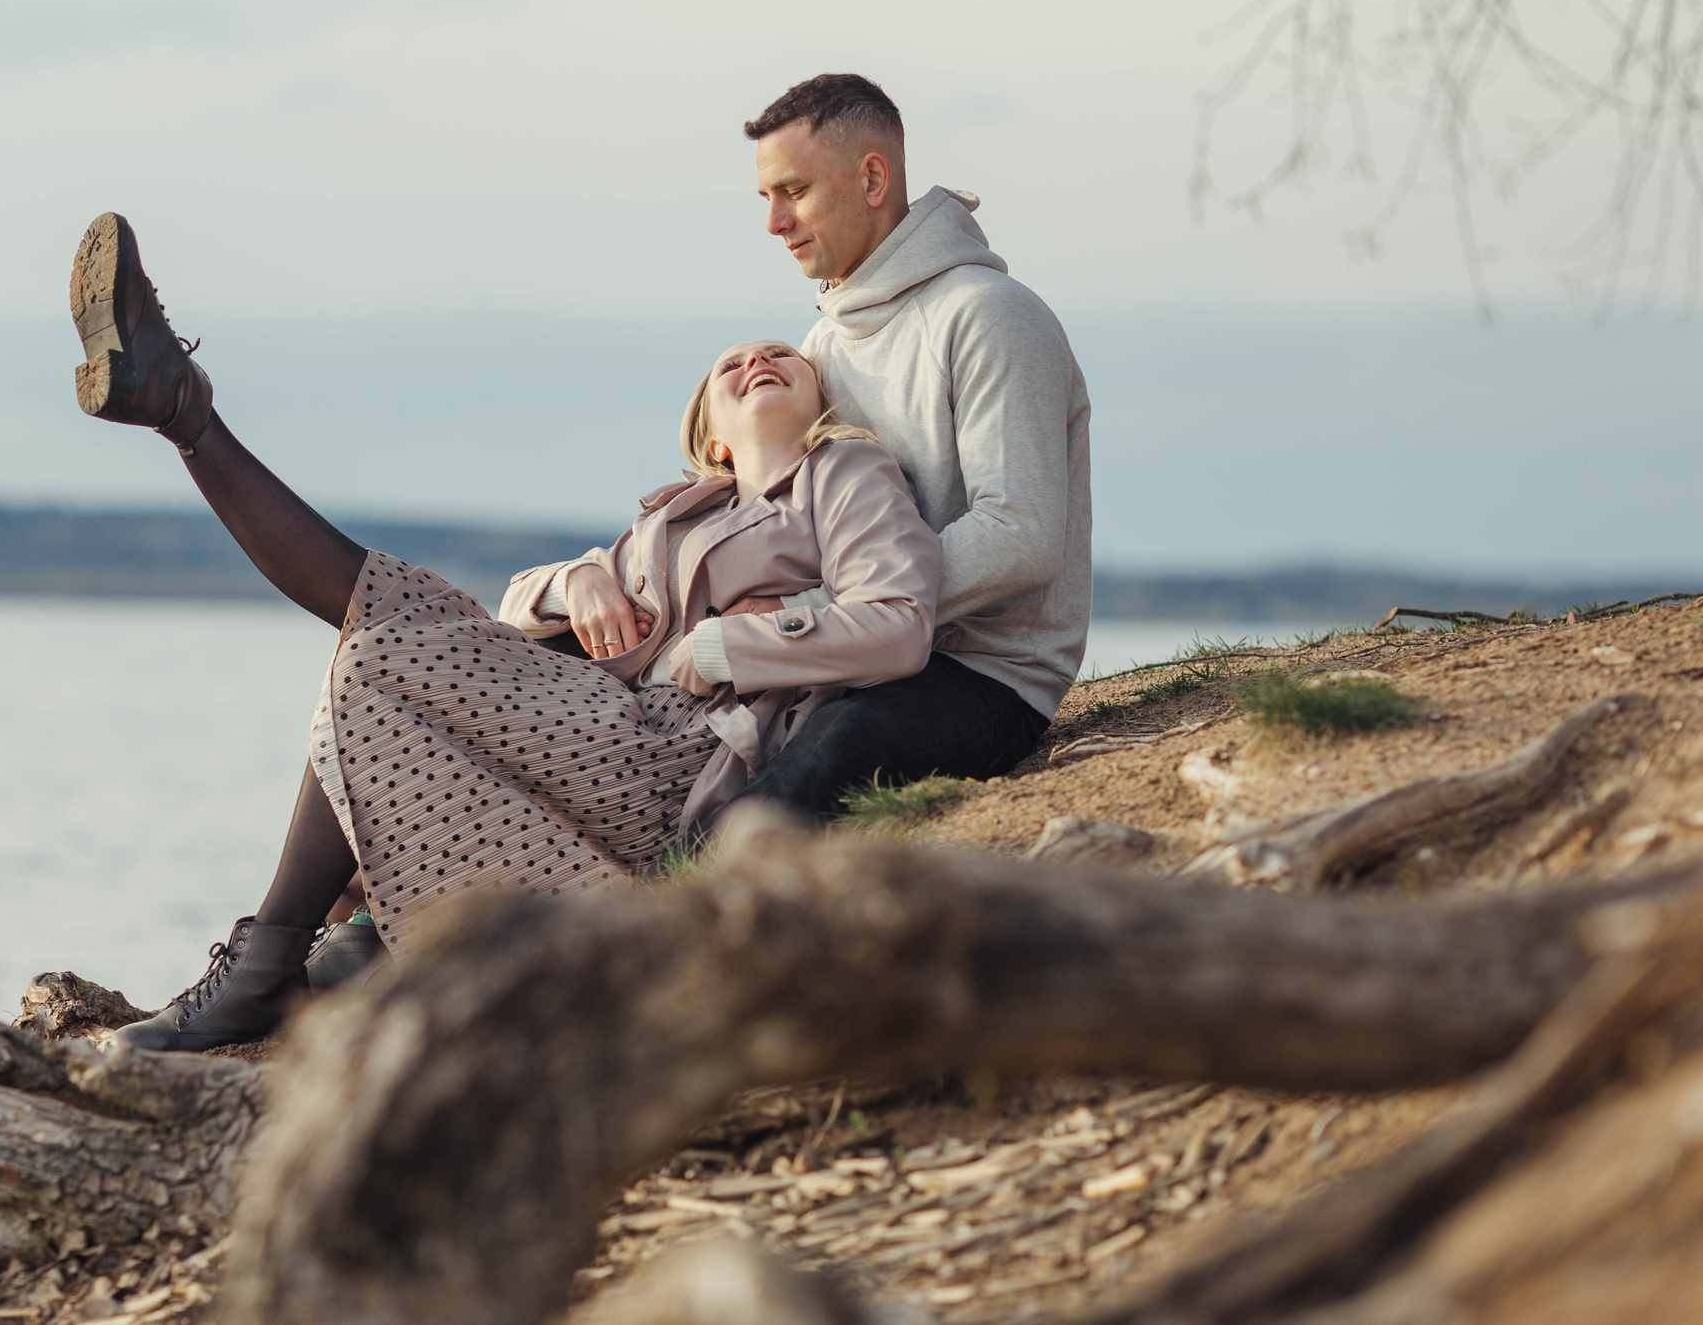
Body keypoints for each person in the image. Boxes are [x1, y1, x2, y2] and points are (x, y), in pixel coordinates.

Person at [66, 212, 942, 1052]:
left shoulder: (843, 470)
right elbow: (515, 606)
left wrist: (718, 647)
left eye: (779, 355)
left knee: (378, 645)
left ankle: (270, 958)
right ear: (710, 440)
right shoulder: (670, 518)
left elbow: (900, 624)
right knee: (390, 625)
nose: (756, 360)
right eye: (730, 364)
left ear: (819, 394)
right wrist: (583, 578)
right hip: (600, 729)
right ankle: (182, 410)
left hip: (676, 761)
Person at [713, 72, 1094, 822]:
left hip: (982, 674)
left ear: (874, 178)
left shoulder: (991, 317)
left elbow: (1021, 536)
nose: (775, 223)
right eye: (766, 198)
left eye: (793, 191)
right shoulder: (822, 346)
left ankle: (664, 923)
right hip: (840, 653)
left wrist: (812, 615)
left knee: (820, 762)